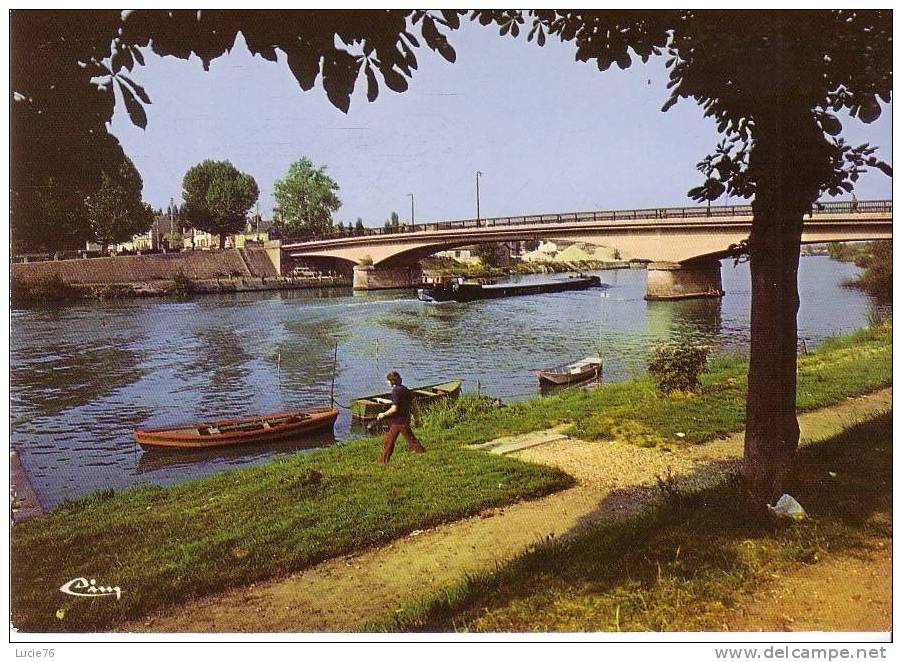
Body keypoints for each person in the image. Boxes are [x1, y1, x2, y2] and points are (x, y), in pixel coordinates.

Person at [375, 371, 425, 464]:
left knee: (409, 440)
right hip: (404, 419)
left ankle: (422, 453)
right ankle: (383, 461)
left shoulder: (395, 392)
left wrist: (383, 414)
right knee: (390, 440)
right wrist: (416, 418)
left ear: (392, 381)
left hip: (399, 421)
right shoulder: (405, 389)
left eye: (388, 381)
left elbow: (394, 408)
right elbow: (413, 404)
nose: (387, 382)